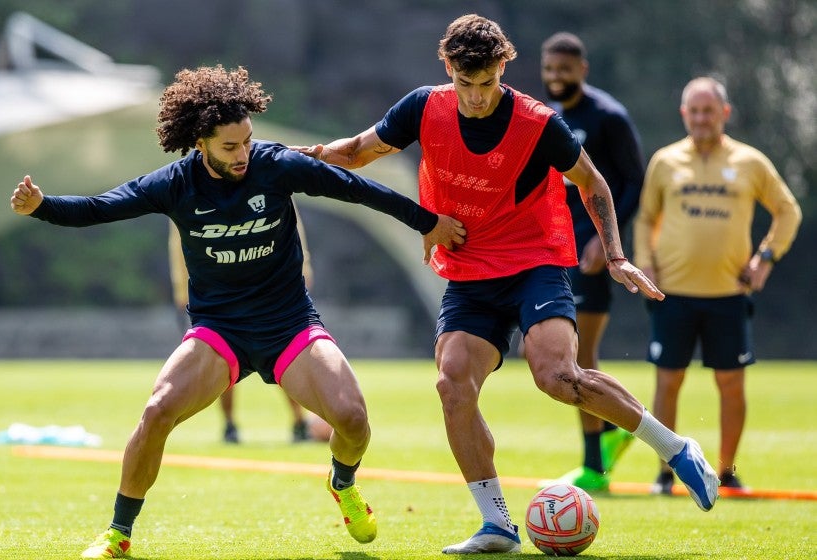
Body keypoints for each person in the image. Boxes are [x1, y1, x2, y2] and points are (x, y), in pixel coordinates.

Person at [294, 14, 719, 554]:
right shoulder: (425, 106)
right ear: (448, 68)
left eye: (487, 84)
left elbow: (594, 184)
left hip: (534, 261)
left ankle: (677, 449)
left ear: (504, 67)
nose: (474, 98)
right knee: (452, 384)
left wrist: (614, 254)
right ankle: (497, 525)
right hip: (469, 270)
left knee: (556, 376)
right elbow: (357, 151)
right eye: (464, 84)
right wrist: (302, 158)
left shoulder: (540, 123)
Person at [10, 64, 466, 558]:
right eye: (230, 147)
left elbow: (359, 190)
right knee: (157, 410)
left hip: (289, 325)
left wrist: (426, 222)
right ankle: (118, 534)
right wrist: (41, 206)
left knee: (354, 421)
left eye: (247, 141)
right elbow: (100, 207)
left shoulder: (276, 165)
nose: (243, 154)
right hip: (220, 330)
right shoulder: (175, 185)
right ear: (200, 142)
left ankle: (342, 482)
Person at [634, 76, 801, 495]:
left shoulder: (750, 161)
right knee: (668, 380)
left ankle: (726, 473)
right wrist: (644, 264)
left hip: (728, 294)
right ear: (684, 114)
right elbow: (644, 219)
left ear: (724, 113)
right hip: (672, 293)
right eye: (695, 111)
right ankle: (665, 474)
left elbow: (788, 211)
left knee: (731, 384)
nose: (702, 118)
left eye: (709, 111)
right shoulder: (665, 161)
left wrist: (765, 258)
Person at [538, 32, 645, 492]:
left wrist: (608, 240)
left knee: (578, 355)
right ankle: (613, 435)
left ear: (582, 70)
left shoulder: (608, 117)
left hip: (592, 254)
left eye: (565, 69)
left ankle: (594, 466)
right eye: (549, 69)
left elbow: (633, 182)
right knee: (565, 356)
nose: (556, 77)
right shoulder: (547, 117)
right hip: (553, 251)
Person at [168, 218, 332, 444]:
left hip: (267, 286)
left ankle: (298, 421)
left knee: (285, 356)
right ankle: (230, 424)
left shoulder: (267, 183)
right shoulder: (189, 186)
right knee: (220, 360)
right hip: (215, 291)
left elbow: (291, 223)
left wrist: (302, 267)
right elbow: (180, 239)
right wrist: (181, 287)